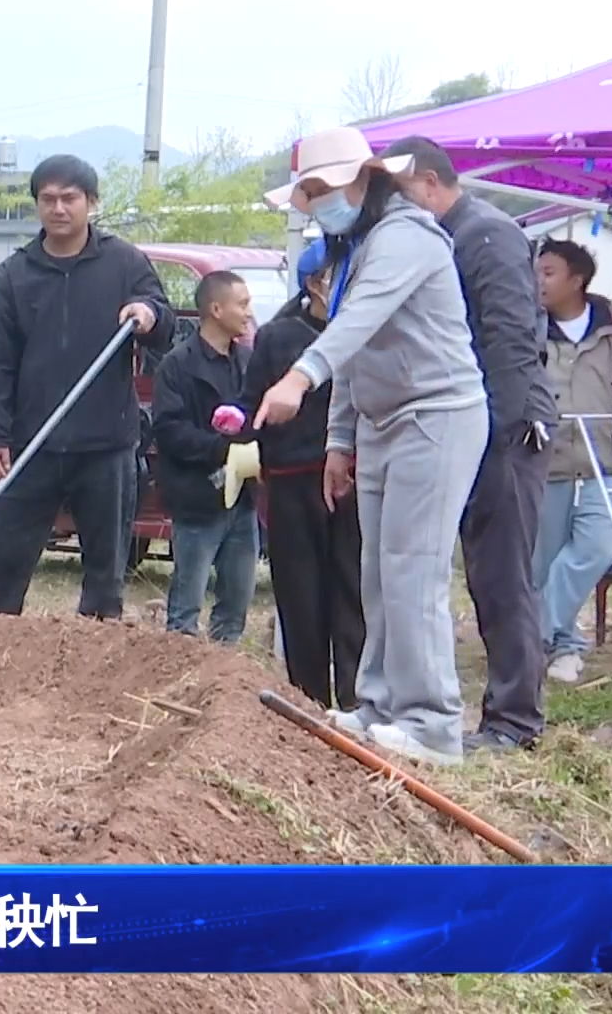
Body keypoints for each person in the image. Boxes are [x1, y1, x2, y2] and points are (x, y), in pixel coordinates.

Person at [256, 126, 489, 767]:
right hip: (384, 423)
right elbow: (358, 346)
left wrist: (300, 378)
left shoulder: (406, 237)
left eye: (325, 189)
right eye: (310, 194)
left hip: (436, 415)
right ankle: (381, 704)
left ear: (367, 179)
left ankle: (433, 722)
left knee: (414, 571)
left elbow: (357, 323)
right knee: (379, 574)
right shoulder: (359, 247)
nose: (320, 203)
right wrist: (339, 438)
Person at [379, 136, 556, 755]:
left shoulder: (485, 234)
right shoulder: (442, 238)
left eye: (398, 196)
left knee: (503, 576)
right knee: (470, 573)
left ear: (429, 184)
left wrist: (498, 433)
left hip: (503, 426)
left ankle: (515, 719)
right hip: (461, 419)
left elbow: (508, 339)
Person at [0, 154, 176, 618]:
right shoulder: (14, 275)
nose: (58, 208)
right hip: (32, 444)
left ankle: (96, 667)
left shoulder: (124, 263)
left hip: (106, 444)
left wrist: (148, 314)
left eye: (69, 198)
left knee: (106, 575)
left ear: (91, 202)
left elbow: (164, 324)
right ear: (37, 206)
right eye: (48, 199)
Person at [226, 243, 365, 710]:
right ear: (315, 283)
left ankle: (353, 699)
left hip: (354, 478)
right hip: (292, 477)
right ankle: (307, 698)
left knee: (354, 589)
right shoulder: (280, 337)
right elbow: (253, 403)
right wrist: (236, 419)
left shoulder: (366, 330)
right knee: (300, 592)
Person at [529, 239, 612, 684]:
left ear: (577, 279)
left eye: (549, 272)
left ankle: (528, 633)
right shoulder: (529, 327)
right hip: (546, 464)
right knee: (544, 560)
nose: (539, 281)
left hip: (604, 462)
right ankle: (565, 648)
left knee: (597, 545)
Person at [150, 271, 258, 641]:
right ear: (215, 308)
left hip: (243, 503)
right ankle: (177, 681)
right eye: (242, 304)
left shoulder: (248, 361)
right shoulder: (177, 366)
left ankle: (222, 686)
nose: (248, 313)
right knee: (185, 611)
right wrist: (222, 448)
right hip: (197, 502)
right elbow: (168, 430)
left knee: (235, 608)